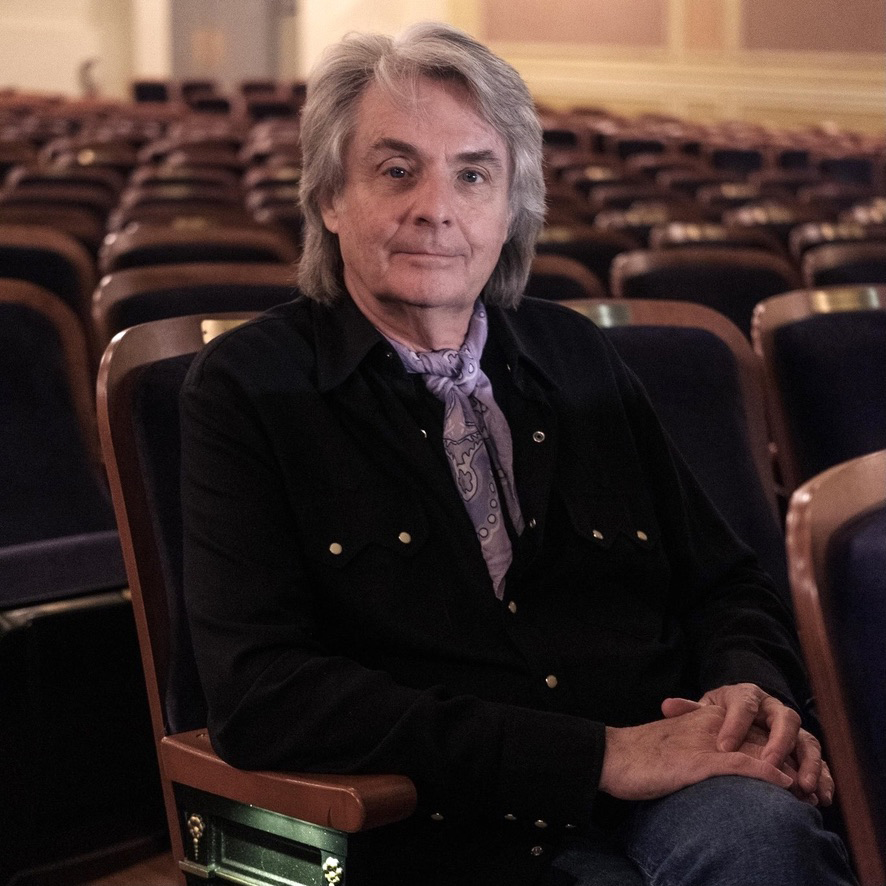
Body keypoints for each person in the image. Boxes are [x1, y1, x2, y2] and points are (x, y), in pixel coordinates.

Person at [180, 22, 858, 885]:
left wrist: (742, 692)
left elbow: (725, 583)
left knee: (767, 843)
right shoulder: (246, 388)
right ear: (329, 198)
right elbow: (263, 694)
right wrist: (598, 756)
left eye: (473, 174)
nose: (437, 206)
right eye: (397, 171)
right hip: (437, 814)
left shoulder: (577, 357)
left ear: (511, 208)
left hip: (668, 777)